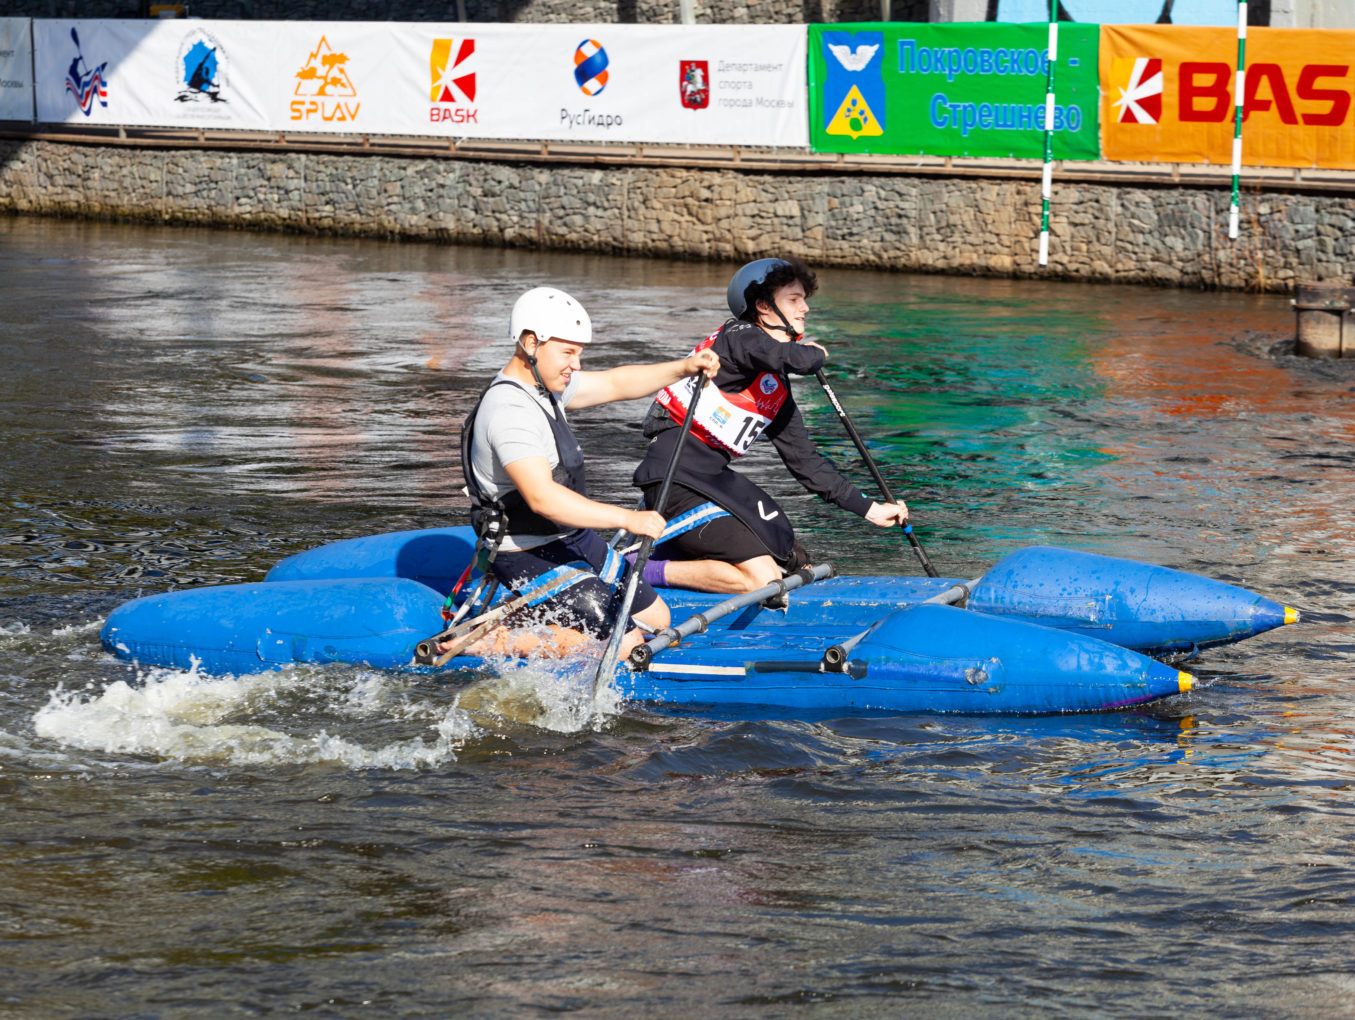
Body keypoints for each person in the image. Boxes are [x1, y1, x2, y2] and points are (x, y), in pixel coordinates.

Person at [454, 286, 719, 660]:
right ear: (531, 343)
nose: (576, 365)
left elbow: (615, 383)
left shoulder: (546, 388)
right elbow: (542, 497)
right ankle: (488, 639)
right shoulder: (510, 411)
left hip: (569, 538)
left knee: (658, 620)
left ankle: (530, 612)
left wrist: (683, 368)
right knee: (627, 644)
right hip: (525, 550)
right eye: (568, 352)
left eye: (579, 354)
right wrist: (629, 518)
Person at [631, 257, 909, 595]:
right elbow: (791, 357)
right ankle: (643, 569)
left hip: (712, 480)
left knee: (794, 559)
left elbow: (807, 464)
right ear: (763, 306)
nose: (805, 308)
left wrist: (870, 509)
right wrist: (814, 355)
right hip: (673, 480)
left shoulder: (775, 390)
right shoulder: (736, 338)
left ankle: (679, 555)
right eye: (793, 299)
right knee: (765, 580)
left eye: (804, 299)